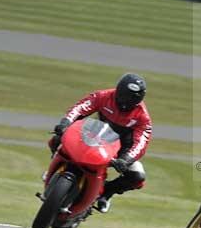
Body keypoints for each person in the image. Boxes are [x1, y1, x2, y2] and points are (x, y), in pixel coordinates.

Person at [50, 73, 152, 213]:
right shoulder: (103, 96)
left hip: (121, 149)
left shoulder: (143, 117)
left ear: (139, 99)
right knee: (56, 139)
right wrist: (66, 122)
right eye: (123, 95)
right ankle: (55, 167)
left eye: (131, 99)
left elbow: (141, 142)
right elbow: (80, 108)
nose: (124, 102)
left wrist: (126, 159)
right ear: (118, 90)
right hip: (95, 135)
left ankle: (106, 194)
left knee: (137, 177)